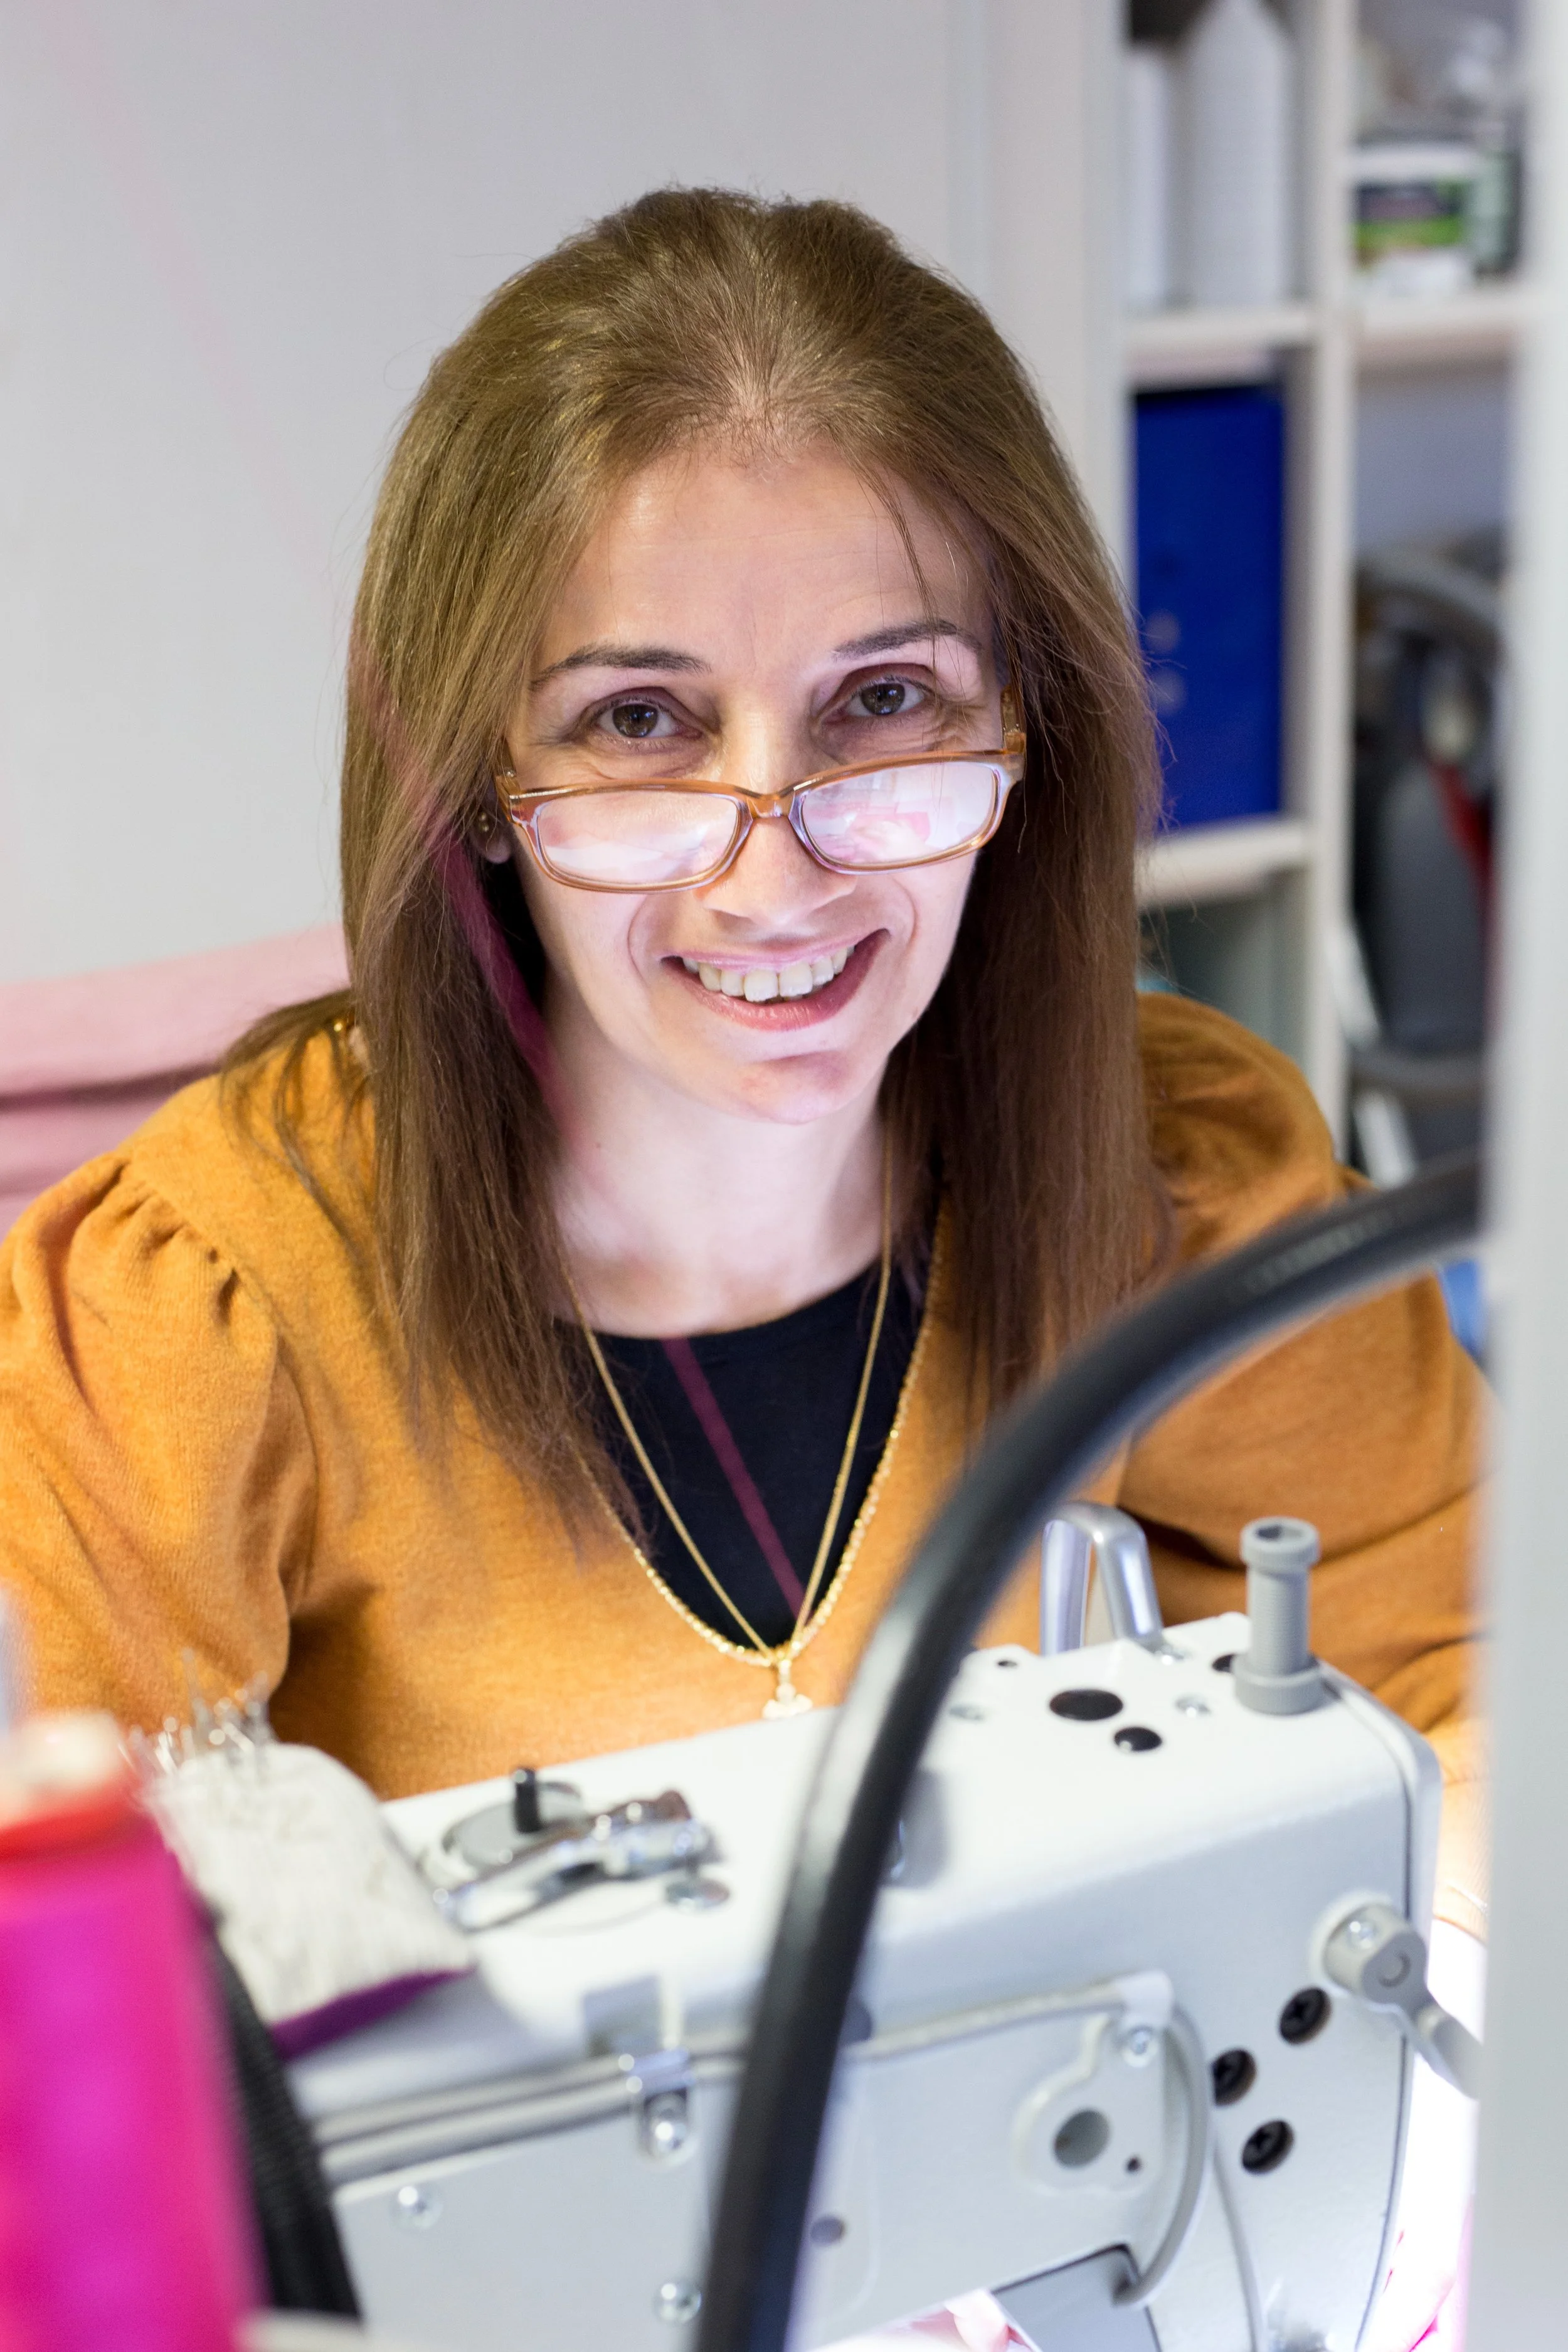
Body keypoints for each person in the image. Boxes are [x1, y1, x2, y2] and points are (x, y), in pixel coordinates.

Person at [0, 190, 1483, 1945]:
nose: (775, 876)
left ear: (1028, 738)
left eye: (885, 701)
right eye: (640, 722)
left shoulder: (1175, 1174)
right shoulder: (195, 1313)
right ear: (480, 780)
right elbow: (65, 1979)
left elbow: (1468, 1681)